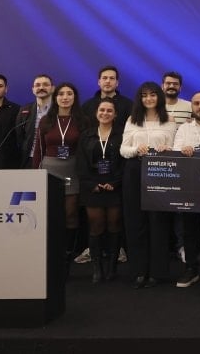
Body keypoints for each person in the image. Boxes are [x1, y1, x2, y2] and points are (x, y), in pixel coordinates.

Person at [119, 82, 178, 288]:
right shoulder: (132, 119)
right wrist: (136, 149)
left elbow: (174, 147)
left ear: (159, 97)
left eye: (153, 95)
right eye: (144, 95)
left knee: (158, 221)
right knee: (135, 221)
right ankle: (138, 271)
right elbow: (123, 149)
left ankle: (157, 272)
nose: (149, 99)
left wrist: (167, 149)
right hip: (135, 170)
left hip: (160, 171)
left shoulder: (169, 120)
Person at [29, 82, 87, 269]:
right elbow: (38, 150)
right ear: (55, 98)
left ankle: (67, 253)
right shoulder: (46, 121)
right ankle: (50, 252)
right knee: (50, 213)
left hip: (72, 170)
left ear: (75, 97)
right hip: (49, 170)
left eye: (69, 94)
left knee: (70, 213)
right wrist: (35, 174)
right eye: (61, 94)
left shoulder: (82, 121)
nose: (65, 97)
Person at [172, 92, 200, 289]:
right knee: (189, 229)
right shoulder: (184, 128)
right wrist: (183, 151)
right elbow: (175, 151)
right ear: (191, 106)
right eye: (196, 103)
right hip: (189, 186)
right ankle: (191, 269)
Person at [77, 98, 124, 282]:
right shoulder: (86, 135)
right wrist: (92, 184)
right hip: (92, 187)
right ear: (96, 113)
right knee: (96, 226)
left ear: (115, 114)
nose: (105, 113)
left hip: (115, 186)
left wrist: (115, 183)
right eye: (102, 110)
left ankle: (112, 267)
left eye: (109, 110)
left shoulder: (121, 134)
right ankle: (97, 268)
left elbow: (124, 162)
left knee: (114, 225)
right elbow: (81, 163)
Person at [15, 75, 54, 160]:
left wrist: (63, 157)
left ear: (52, 88)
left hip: (53, 159)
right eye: (37, 85)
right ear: (33, 89)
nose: (41, 87)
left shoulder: (60, 109)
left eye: (45, 84)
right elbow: (19, 136)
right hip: (30, 158)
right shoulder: (24, 110)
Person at [83, 65, 134, 130]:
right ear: (99, 82)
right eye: (104, 78)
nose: (108, 81)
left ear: (117, 83)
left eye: (112, 78)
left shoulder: (129, 105)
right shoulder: (87, 106)